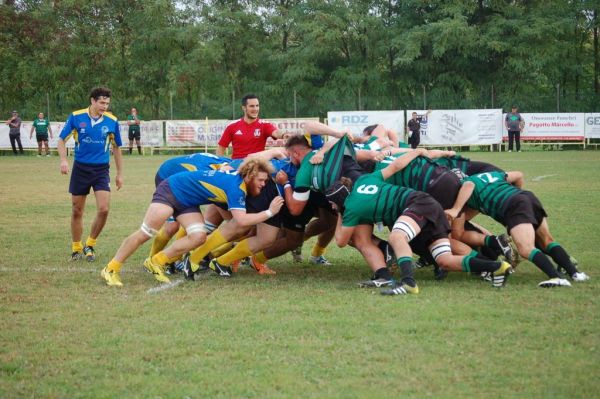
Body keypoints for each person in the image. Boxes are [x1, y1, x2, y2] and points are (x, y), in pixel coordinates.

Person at [327, 164, 512, 296]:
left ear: (340, 199)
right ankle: (497, 267)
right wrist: (416, 152)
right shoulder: (366, 179)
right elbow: (395, 166)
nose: (332, 207)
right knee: (444, 260)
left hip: (417, 204)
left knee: (397, 236)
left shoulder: (351, 207)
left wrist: (340, 214)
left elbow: (341, 241)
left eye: (333, 203)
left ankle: (408, 283)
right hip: (427, 204)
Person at [102, 158, 284, 286]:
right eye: (261, 180)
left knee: (198, 237)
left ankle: (157, 261)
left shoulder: (240, 180)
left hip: (187, 201)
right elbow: (242, 220)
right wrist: (270, 212)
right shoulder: (236, 188)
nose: (263, 184)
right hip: (172, 190)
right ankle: (111, 268)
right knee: (147, 232)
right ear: (250, 176)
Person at [446, 170, 590, 287]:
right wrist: (517, 195)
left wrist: (455, 208)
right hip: (526, 197)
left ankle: (556, 278)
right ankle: (576, 274)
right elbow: (518, 175)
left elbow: (468, 185)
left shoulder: (467, 184)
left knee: (525, 249)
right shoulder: (488, 177)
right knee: (545, 241)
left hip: (513, 205)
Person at [57, 87, 124, 262]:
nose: (105, 106)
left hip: (101, 170)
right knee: (77, 210)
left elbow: (116, 147)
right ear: (92, 101)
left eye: (107, 103)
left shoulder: (112, 121)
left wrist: (119, 173)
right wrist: (63, 160)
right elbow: (61, 140)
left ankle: (90, 244)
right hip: (80, 169)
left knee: (104, 209)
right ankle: (76, 248)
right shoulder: (76, 116)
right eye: (102, 102)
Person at [216, 94, 285, 159]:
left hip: (256, 164)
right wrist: (220, 163)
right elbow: (221, 147)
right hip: (237, 165)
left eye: (257, 106)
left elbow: (275, 132)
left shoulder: (264, 125)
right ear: (244, 108)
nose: (255, 109)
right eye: (252, 106)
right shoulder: (232, 126)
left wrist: (283, 135)